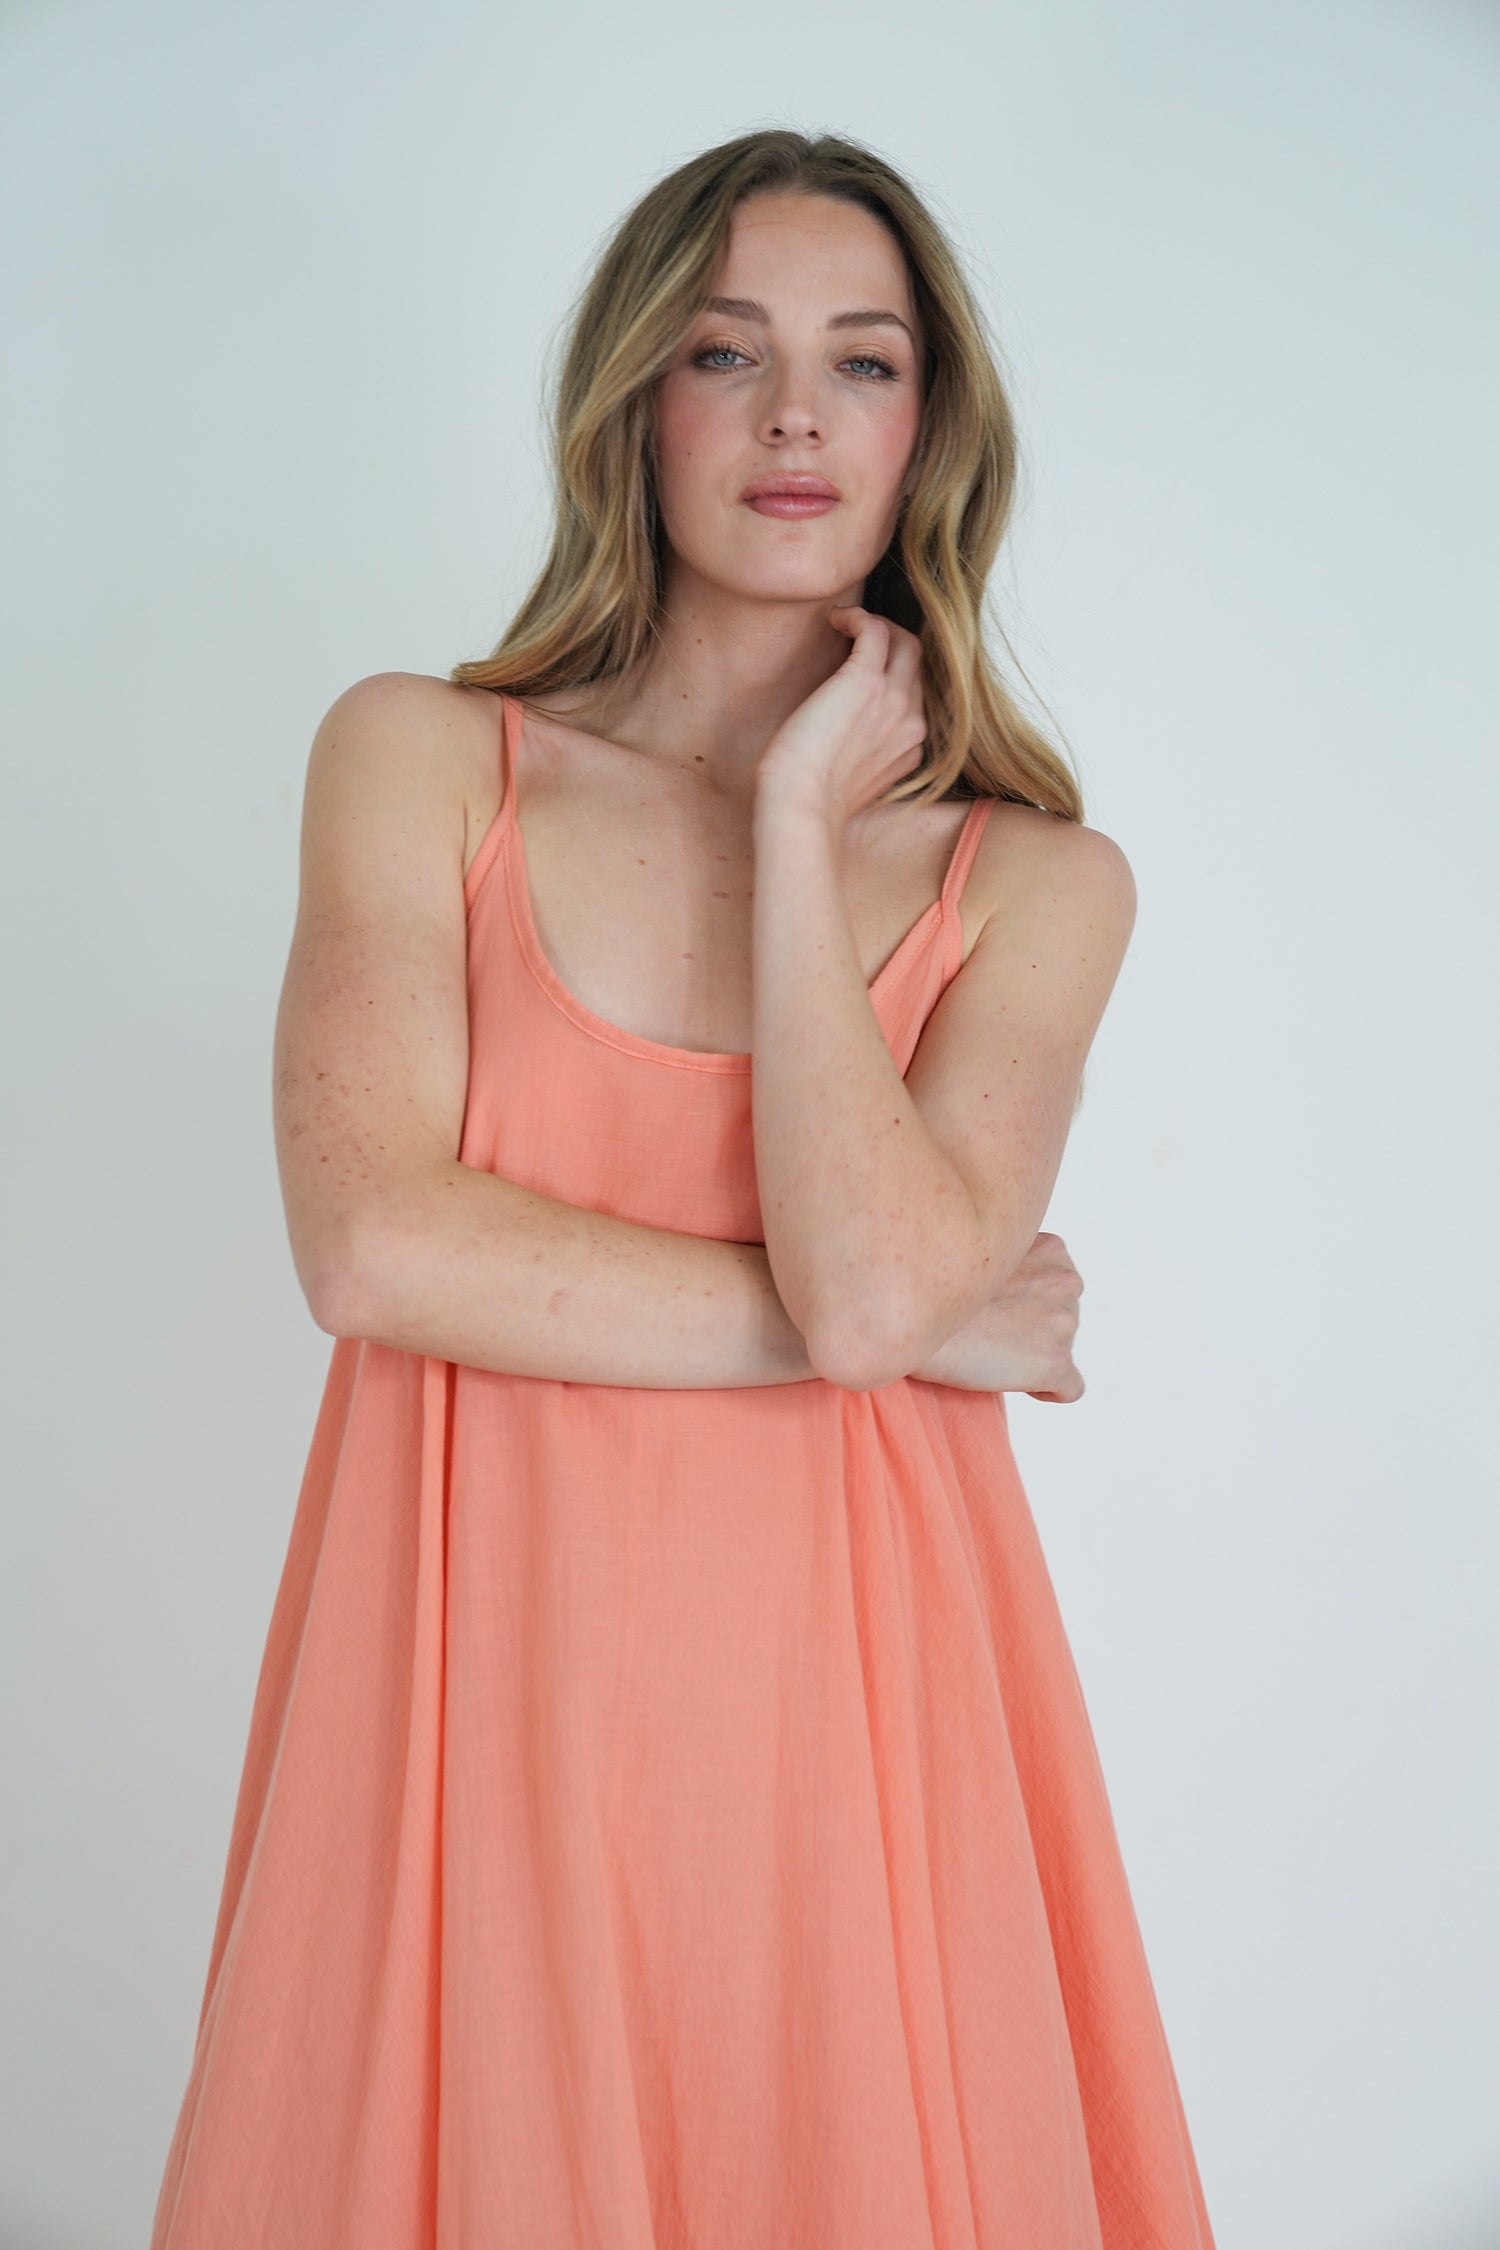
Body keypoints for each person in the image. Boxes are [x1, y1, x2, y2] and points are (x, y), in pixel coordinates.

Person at [149, 128, 1216, 2248]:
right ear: (635, 404)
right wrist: (911, 1326)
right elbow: (371, 1243)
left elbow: (871, 1285)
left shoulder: (1040, 886)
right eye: (727, 353)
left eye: (865, 360)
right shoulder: (424, 760)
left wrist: (807, 829)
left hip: (855, 1712)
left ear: (934, 431)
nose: (799, 411)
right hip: (466, 1683)